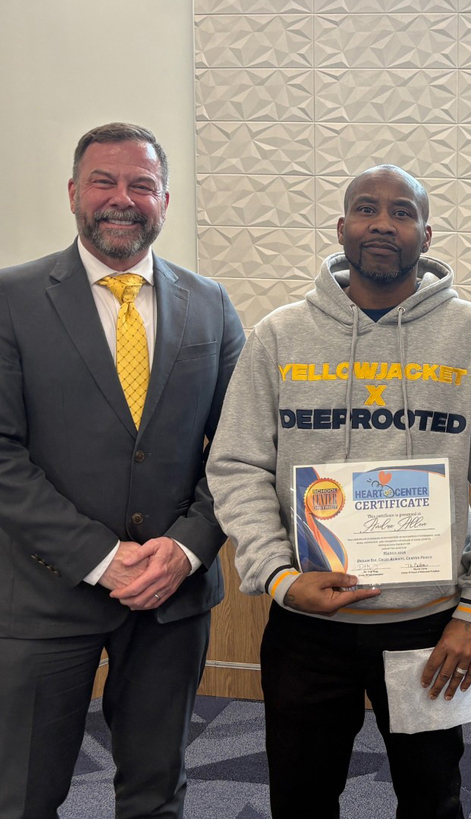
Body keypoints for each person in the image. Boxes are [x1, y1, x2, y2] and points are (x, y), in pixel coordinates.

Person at [206, 164, 471, 818]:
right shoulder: (280, 335)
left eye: (402, 212)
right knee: (300, 799)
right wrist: (276, 575)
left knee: (433, 799)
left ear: (426, 233)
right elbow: (236, 463)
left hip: (429, 628)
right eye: (366, 208)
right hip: (307, 623)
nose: (383, 223)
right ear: (342, 227)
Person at [0, 122, 245, 818]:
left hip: (173, 594)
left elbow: (241, 448)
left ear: (164, 199)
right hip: (45, 593)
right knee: (22, 792)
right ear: (74, 193)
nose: (122, 198)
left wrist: (191, 545)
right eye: (104, 181)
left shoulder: (212, 303)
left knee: (156, 791)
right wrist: (102, 558)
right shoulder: (10, 299)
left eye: (141, 184)